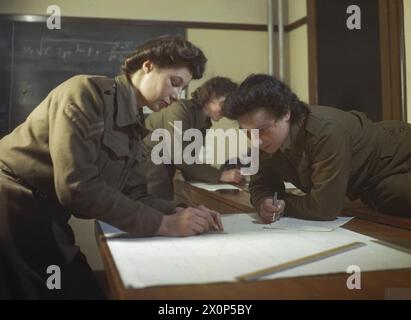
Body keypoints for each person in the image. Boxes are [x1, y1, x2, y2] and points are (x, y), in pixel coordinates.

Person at [0, 35, 223, 299]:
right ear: (148, 66)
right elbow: (77, 188)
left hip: (46, 211)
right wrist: (165, 224)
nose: (177, 96)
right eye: (174, 83)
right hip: (13, 202)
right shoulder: (85, 93)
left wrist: (181, 210)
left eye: (183, 89)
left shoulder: (135, 123)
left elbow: (135, 194)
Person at [222, 74, 411, 223]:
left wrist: (284, 204)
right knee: (389, 194)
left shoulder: (324, 131)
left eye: (262, 130)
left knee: (399, 194)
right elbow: (261, 185)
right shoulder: (261, 138)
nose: (255, 141)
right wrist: (264, 202)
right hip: (374, 185)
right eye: (247, 132)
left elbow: (325, 208)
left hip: (401, 151)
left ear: (286, 113)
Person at [143, 76, 244, 200]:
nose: (227, 111)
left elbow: (189, 160)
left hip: (161, 169)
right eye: (224, 104)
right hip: (147, 170)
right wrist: (220, 175)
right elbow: (180, 156)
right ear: (210, 96)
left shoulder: (204, 122)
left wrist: (218, 176)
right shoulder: (179, 108)